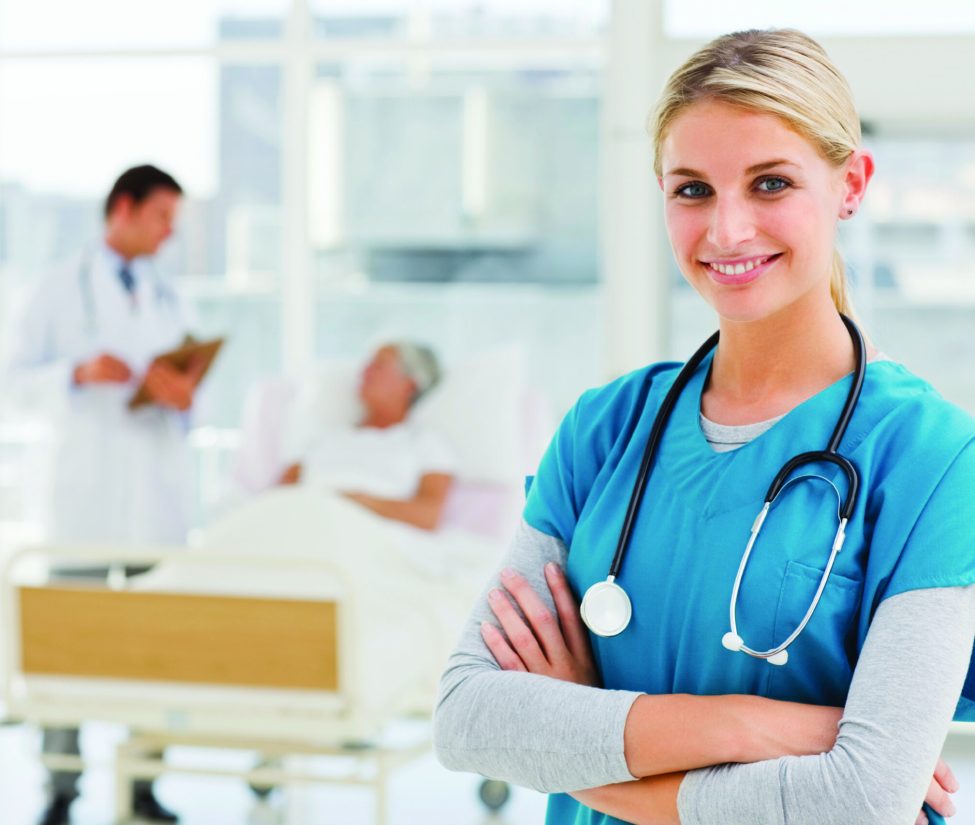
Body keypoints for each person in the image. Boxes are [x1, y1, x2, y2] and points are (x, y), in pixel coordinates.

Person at [434, 29, 975, 825]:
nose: (726, 231)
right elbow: (467, 718)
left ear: (850, 184)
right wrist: (760, 725)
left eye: (769, 183)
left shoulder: (930, 456)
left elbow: (859, 799)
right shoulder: (606, 428)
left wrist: (588, 748)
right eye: (691, 189)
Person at [5, 165, 202, 824]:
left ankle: (143, 783)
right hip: (83, 502)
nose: (168, 233)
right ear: (123, 207)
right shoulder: (59, 288)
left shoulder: (169, 298)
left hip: (154, 501)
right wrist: (76, 372)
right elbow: (12, 381)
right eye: (161, 217)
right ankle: (61, 790)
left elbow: (188, 388)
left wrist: (179, 397)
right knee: (69, 647)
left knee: (157, 647)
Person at [279, 341, 456, 531]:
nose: (364, 371)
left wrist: (352, 502)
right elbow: (279, 494)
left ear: (410, 384)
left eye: (379, 365)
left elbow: (428, 516)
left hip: (366, 536)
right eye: (367, 364)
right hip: (301, 525)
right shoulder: (326, 438)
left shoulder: (425, 444)